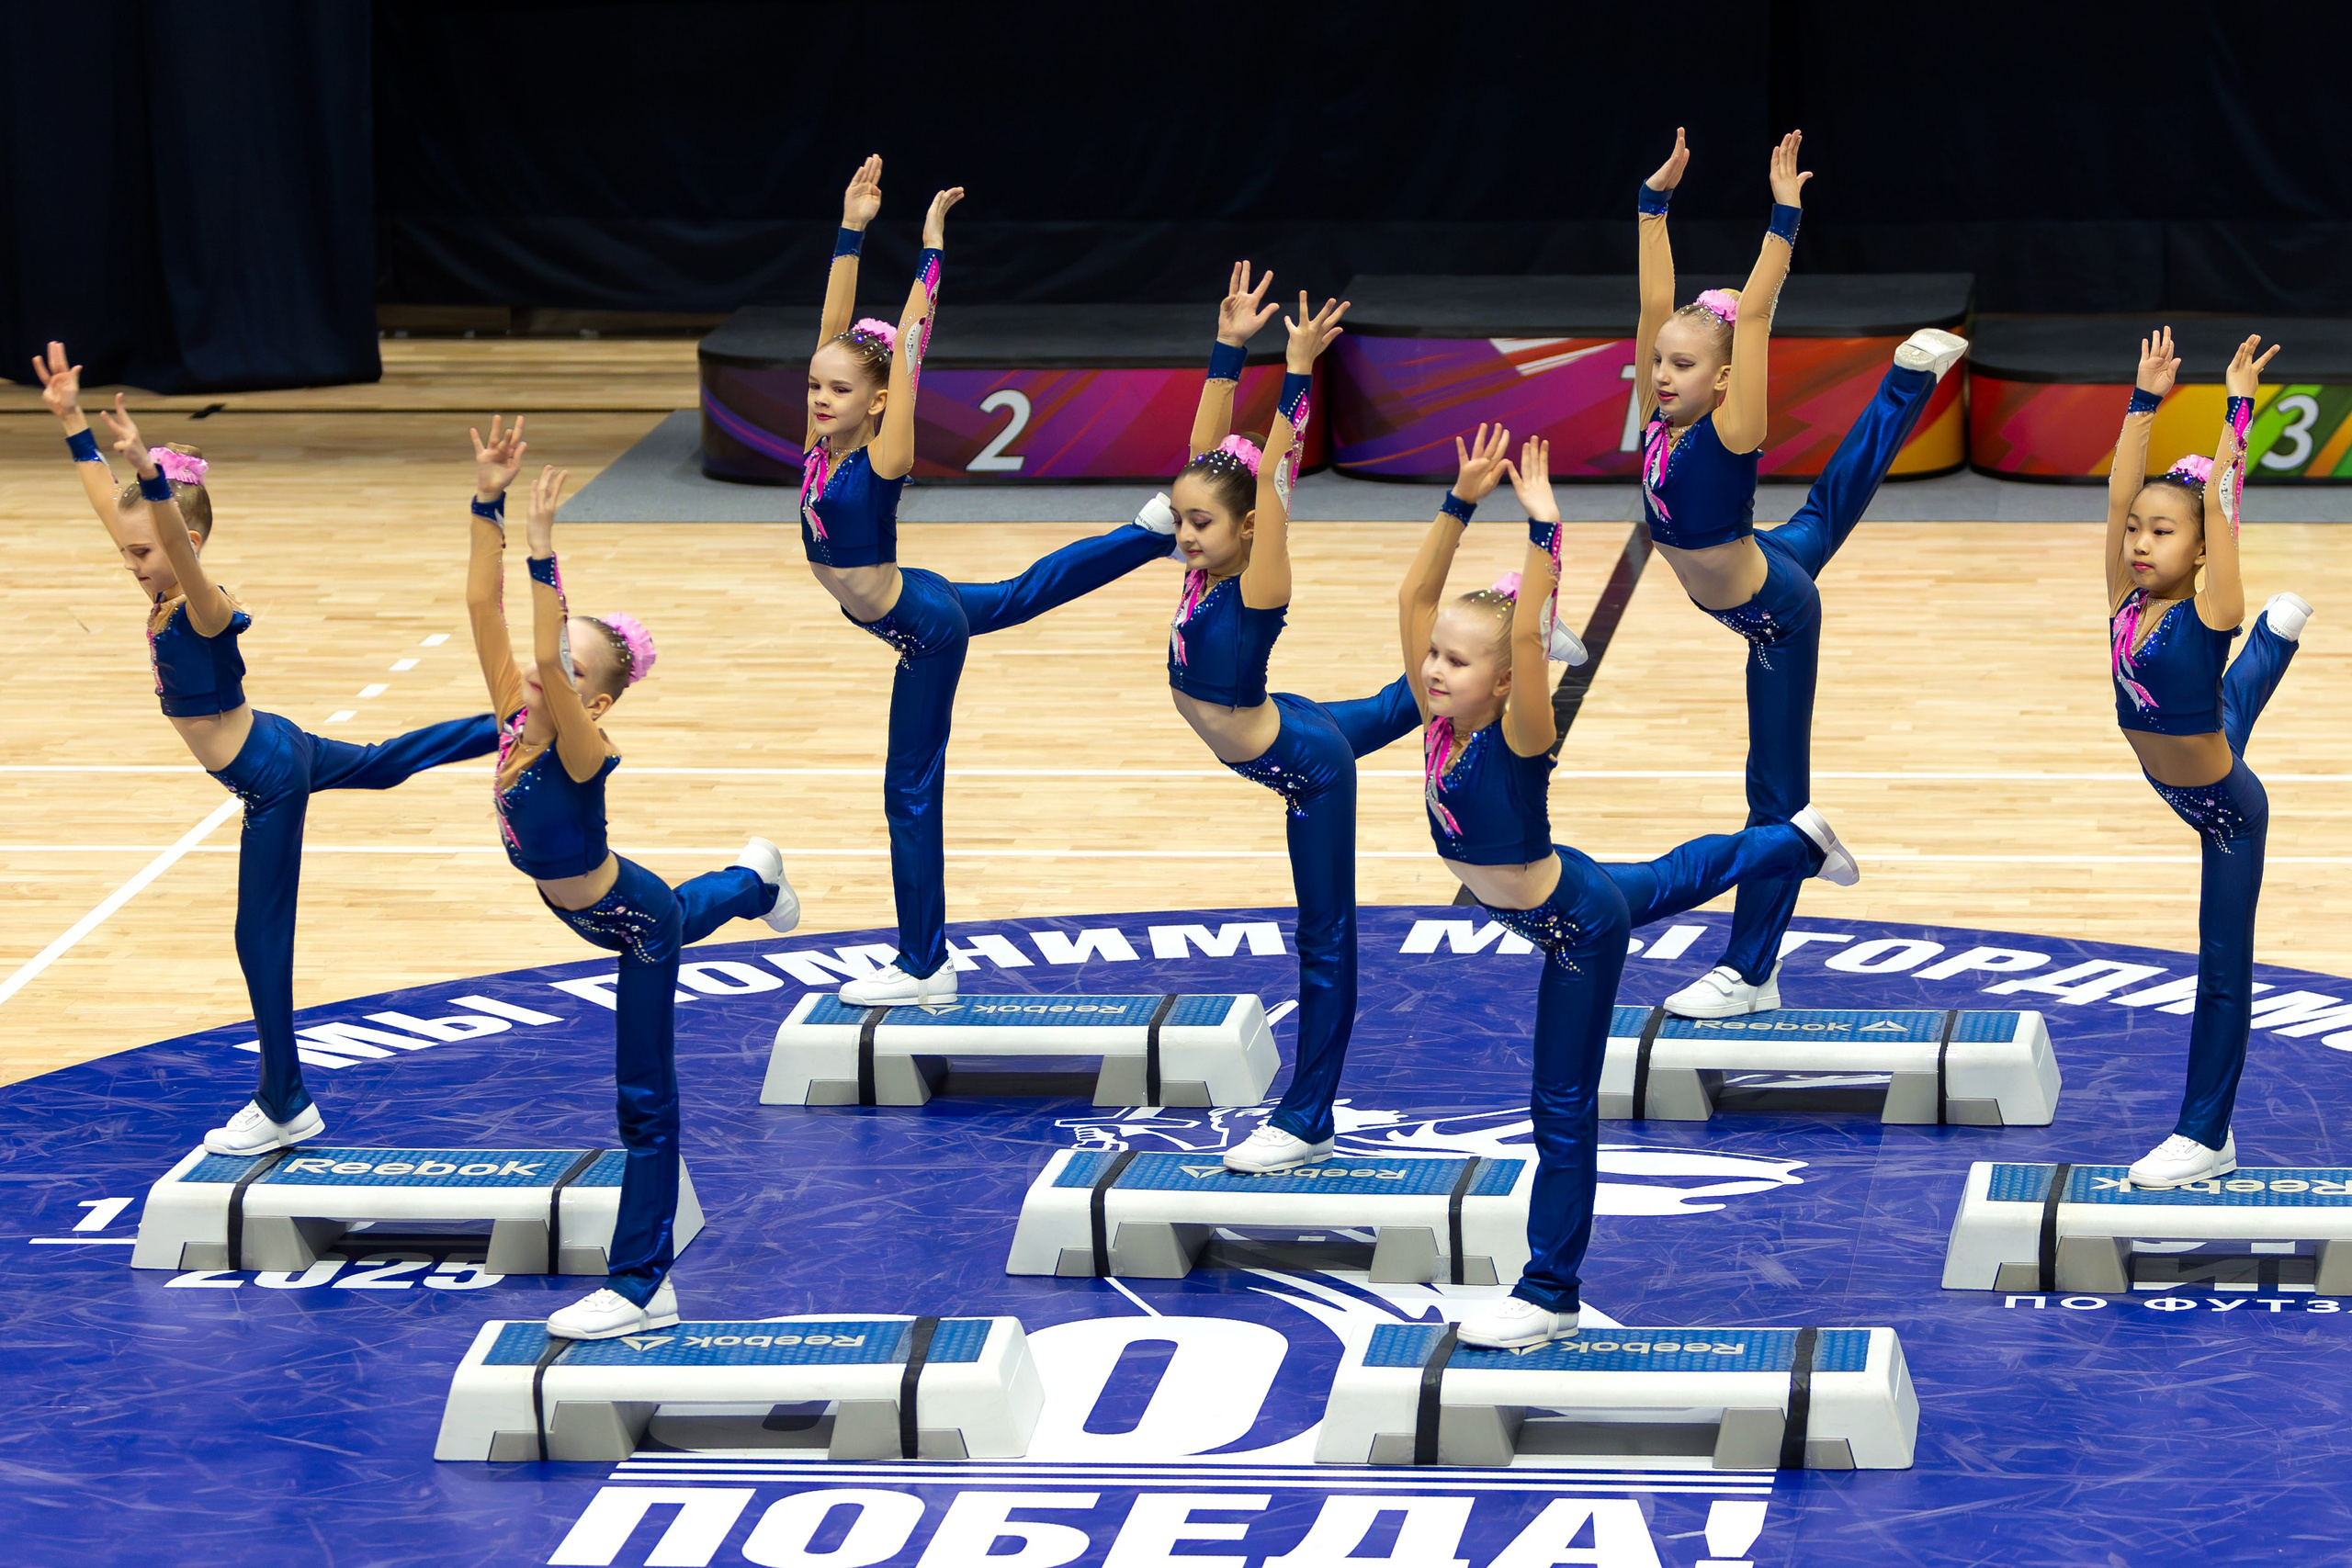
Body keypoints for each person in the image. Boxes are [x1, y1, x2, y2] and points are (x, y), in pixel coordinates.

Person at [1402, 428, 1858, 1348]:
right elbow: (1414, 599)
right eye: (1435, 657)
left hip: (1569, 928)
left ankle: (1547, 1292)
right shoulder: (1439, 716)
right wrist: (1455, 505)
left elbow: (1529, 649)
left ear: (1501, 682)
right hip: (1561, 892)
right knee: (1663, 879)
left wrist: (1544, 536)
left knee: (1559, 1108)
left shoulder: (1514, 737)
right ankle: (1791, 841)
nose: (1431, 669)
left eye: (1454, 662)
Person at [31, 342, 499, 1157]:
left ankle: (285, 1101)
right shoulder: (158, 572)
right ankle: (514, 725)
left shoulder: (202, 607)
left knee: (259, 938)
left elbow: (166, 539)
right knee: (387, 761)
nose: (134, 565)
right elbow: (117, 514)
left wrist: (147, 477)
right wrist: (73, 421)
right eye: (128, 554)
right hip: (272, 737)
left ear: (190, 540)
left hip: (268, 779)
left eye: (146, 552)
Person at [799, 156, 1175, 1005]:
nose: (819, 396)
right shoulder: (820, 438)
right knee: (1020, 593)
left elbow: (914, 349)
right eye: (814, 385)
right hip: (905, 604)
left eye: (838, 389)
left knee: (909, 788)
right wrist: (851, 229)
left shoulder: (881, 455)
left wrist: (930, 253)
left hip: (917, 629)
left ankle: (926, 964)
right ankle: (1149, 534)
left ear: (880, 401)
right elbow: (831, 330)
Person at [465, 430, 798, 1337]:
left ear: (597, 702)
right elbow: (481, 609)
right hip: (584, 907)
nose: (541, 670)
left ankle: (643, 1285)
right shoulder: (511, 712)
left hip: (629, 920)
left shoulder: (580, 745)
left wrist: (544, 553)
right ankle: (754, 881)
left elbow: (533, 631)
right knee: (695, 907)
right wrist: (486, 507)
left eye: (567, 670)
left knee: (643, 1099)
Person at [1632, 129, 1968, 1018]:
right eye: (1659, 361)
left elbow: (1757, 316)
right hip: (1760, 562)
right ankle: (1906, 381)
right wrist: (1652, 204)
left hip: (1773, 614)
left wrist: (1783, 218)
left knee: (1771, 789)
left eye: (1682, 365)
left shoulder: (1730, 430)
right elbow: (1654, 299)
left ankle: (1749, 969)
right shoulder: (1658, 408)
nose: (1661, 376)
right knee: (1820, 515)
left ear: (1726, 376)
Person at [1155, 267, 1420, 1174]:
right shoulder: (1203, 563)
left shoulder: (1258, 581)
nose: (1185, 534)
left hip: (1302, 768)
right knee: (1404, 700)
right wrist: (1229, 348)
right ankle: (1520, 633)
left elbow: (1270, 479)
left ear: (1244, 530)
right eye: (1183, 521)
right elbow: (1208, 464)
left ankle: (1307, 1117)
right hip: (1280, 729)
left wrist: (1298, 374)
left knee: (1323, 938)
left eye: (1202, 524)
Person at [2101, 330, 2310, 1188]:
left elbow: (2220, 503)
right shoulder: (2122, 597)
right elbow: (2119, 497)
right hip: (2179, 762)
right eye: (2138, 531)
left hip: (2224, 808)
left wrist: (2237, 409)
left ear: (2198, 553)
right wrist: (2142, 403)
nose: (2141, 542)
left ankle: (2205, 1135)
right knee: (2227, 705)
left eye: (2163, 533)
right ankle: (2277, 642)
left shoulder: (2208, 606)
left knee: (2222, 971)